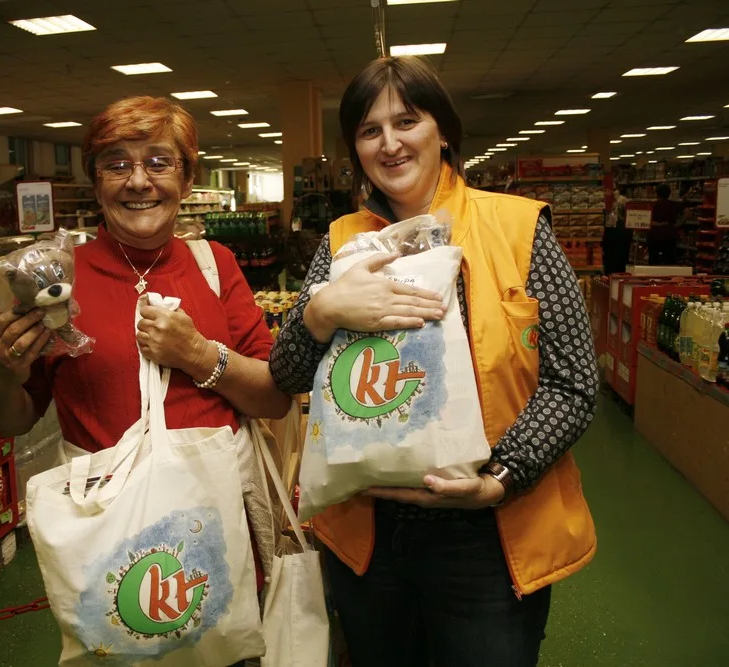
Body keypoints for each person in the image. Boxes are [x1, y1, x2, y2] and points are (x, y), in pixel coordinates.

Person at [269, 56, 599, 667]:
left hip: (486, 534)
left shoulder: (518, 228)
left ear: (441, 129)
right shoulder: (341, 243)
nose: (390, 143)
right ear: (355, 149)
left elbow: (573, 382)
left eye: (407, 121)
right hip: (366, 530)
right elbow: (285, 374)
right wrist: (319, 314)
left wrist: (499, 480)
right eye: (370, 131)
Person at [0, 95, 291, 667]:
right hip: (110, 536)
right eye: (117, 164)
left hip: (216, 524)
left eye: (158, 162)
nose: (138, 181)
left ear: (187, 175)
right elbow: (12, 418)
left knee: (230, 649)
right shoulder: (58, 277)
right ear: (96, 182)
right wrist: (6, 372)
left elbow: (272, 397)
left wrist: (199, 355)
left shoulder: (214, 265)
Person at [648, 183, 682, 265]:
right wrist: (678, 223)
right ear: (669, 193)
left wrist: (659, 224)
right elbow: (687, 212)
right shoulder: (673, 204)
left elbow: (648, 220)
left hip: (654, 236)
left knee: (653, 261)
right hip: (669, 236)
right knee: (670, 261)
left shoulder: (653, 205)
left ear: (657, 193)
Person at [603, 185, 631, 274]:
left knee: (610, 257)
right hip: (622, 233)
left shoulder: (605, 200)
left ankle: (610, 274)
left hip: (612, 232)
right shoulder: (624, 200)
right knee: (621, 258)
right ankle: (620, 274)